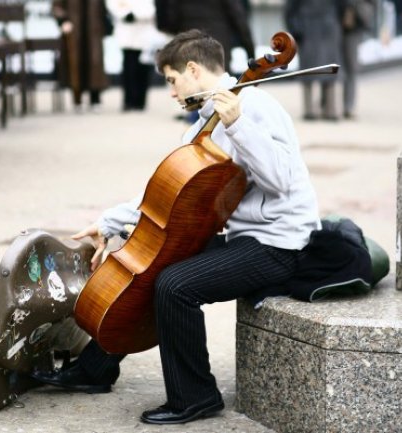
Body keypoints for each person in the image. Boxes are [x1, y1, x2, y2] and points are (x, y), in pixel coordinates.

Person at [31, 29, 321, 425]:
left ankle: (196, 396)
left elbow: (280, 182)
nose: (170, 92)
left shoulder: (254, 107)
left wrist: (239, 127)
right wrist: (109, 222)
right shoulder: (204, 123)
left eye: (171, 80)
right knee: (150, 265)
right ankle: (94, 370)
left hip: (280, 244)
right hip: (243, 238)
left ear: (193, 69)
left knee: (175, 284)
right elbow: (167, 192)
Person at [286, 0, 345, 121]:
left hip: (322, 27)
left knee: (321, 69)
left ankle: (322, 109)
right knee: (315, 70)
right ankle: (322, 109)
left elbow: (289, 10)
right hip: (311, 27)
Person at [52, 0, 110, 113]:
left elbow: (102, 7)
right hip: (74, 28)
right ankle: (77, 99)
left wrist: (104, 23)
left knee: (95, 63)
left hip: (94, 28)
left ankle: (95, 98)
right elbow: (57, 6)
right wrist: (62, 20)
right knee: (75, 63)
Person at [107, 0, 165, 112]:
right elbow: (113, 4)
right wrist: (125, 14)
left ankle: (140, 101)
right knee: (128, 68)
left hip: (144, 33)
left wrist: (137, 14)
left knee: (143, 69)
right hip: (126, 33)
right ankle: (128, 101)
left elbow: (151, 8)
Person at [340, 0, 374, 119]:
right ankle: (330, 105)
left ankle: (348, 106)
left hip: (353, 28)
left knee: (350, 69)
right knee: (332, 67)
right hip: (333, 26)